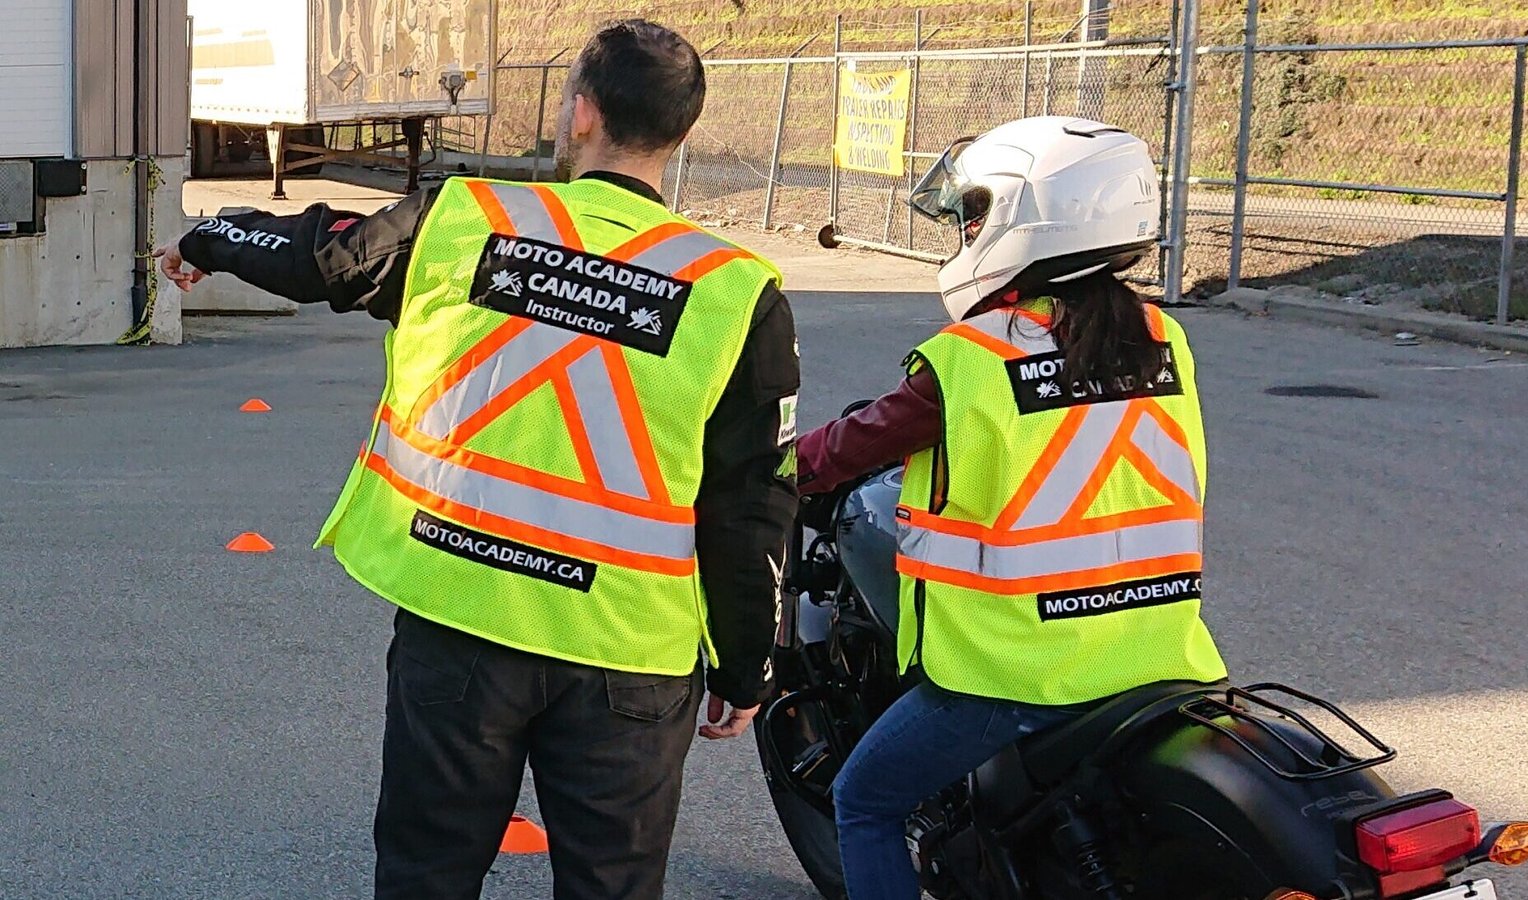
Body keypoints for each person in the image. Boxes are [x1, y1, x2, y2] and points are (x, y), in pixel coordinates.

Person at [157, 20, 799, 900]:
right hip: (627, 651)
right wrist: (745, 663)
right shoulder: (736, 291)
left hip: (463, 615)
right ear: (682, 132)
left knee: (427, 875)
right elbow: (754, 504)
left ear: (581, 114)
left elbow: (321, 257)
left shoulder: (468, 218)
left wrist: (209, 237)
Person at [793, 117, 1228, 899]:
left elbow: (848, 447)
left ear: (1026, 219)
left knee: (865, 800)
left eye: (973, 215)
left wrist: (763, 468)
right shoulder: (1159, 337)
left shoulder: (973, 360)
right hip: (1154, 651)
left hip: (1019, 674)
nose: (965, 233)